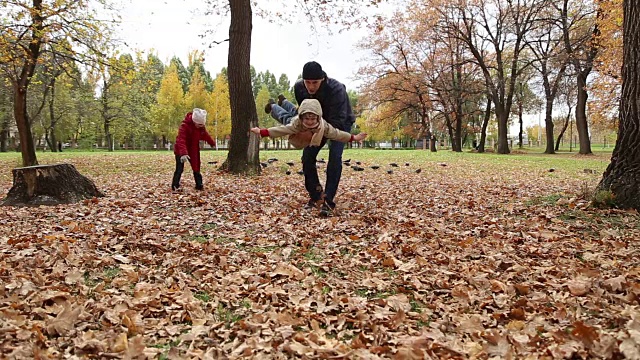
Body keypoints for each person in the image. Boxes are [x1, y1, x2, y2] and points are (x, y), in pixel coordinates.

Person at [293, 61, 357, 217]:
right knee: (307, 157)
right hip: (316, 123)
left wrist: (319, 131)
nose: (311, 87)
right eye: (307, 82)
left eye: (315, 82)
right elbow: (305, 112)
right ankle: (316, 196)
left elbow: (337, 121)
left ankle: (328, 200)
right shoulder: (299, 88)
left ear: (322, 79)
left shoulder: (337, 89)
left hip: (340, 123)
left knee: (335, 157)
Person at [251, 98, 366, 149]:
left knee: (294, 111)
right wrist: (261, 132)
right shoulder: (296, 124)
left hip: (299, 114)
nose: (310, 122)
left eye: (313, 119)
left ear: (318, 118)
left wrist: (354, 137)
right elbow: (281, 130)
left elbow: (337, 134)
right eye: (307, 119)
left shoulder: (323, 126)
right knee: (285, 117)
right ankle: (273, 105)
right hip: (294, 122)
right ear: (302, 118)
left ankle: (284, 101)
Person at [171, 108, 216, 191]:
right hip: (181, 150)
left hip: (193, 149)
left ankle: (199, 185)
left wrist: (212, 142)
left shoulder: (201, 127)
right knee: (179, 169)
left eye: (202, 124)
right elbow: (181, 140)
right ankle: (175, 185)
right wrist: (183, 153)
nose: (201, 126)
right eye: (199, 124)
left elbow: (205, 135)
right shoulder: (184, 126)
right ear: (194, 121)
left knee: (196, 167)